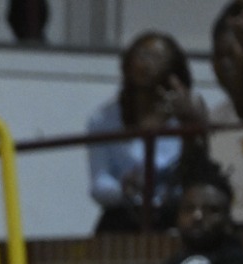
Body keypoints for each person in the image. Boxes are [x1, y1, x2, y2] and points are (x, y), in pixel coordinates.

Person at [86, 33, 206, 233]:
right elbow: (99, 183)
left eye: (157, 57)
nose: (146, 63)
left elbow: (197, 172)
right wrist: (123, 191)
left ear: (173, 67)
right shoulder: (103, 119)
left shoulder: (187, 109)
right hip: (124, 211)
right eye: (142, 55)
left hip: (175, 209)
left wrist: (190, 124)